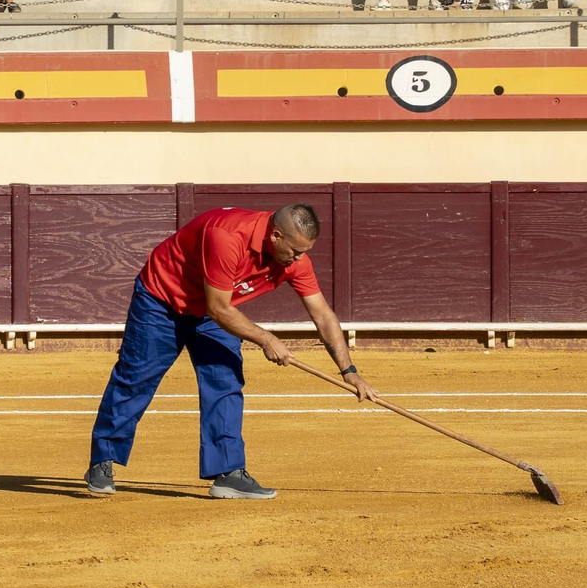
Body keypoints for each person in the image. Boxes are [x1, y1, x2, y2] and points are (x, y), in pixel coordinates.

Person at [84, 204, 378, 499]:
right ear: (276, 236)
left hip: (212, 310)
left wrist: (349, 372)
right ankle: (102, 461)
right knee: (136, 377)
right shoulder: (227, 236)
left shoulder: (294, 261)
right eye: (295, 251)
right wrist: (265, 338)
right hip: (162, 300)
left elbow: (323, 315)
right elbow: (219, 308)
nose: (300, 259)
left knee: (224, 380)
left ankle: (228, 473)